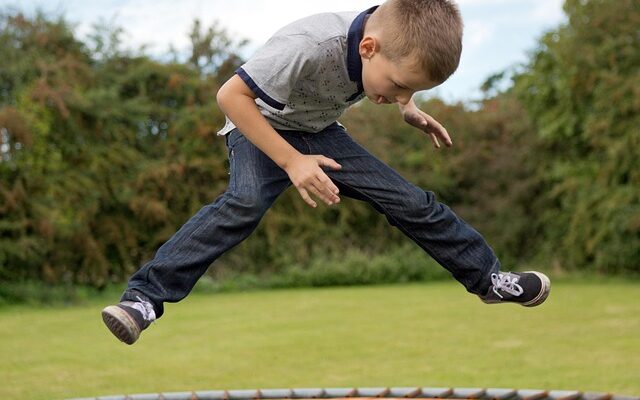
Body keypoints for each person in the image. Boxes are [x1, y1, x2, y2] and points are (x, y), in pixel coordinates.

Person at [102, 0, 551, 345]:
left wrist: (407, 106)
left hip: (320, 131)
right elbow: (230, 97)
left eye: (411, 89)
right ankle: (144, 299)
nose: (399, 93)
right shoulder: (309, 45)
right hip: (258, 127)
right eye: (399, 86)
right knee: (245, 201)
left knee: (410, 201)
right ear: (367, 49)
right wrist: (291, 161)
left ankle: (488, 279)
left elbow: (397, 68)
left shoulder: (389, 43)